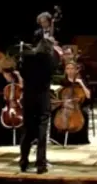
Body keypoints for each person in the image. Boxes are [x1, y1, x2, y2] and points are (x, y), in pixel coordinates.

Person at [18, 39, 62, 174]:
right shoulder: (50, 60)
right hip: (42, 100)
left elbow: (21, 71)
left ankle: (23, 161)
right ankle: (40, 164)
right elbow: (55, 68)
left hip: (29, 99)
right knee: (42, 132)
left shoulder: (27, 59)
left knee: (27, 131)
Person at [50, 61, 91, 145]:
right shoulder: (63, 81)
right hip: (64, 104)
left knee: (84, 114)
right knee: (54, 112)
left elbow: (88, 96)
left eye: (72, 68)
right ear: (65, 70)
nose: (70, 71)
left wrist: (81, 83)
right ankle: (56, 138)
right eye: (68, 69)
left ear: (76, 70)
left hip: (77, 106)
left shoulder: (81, 81)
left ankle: (79, 139)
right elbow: (58, 94)